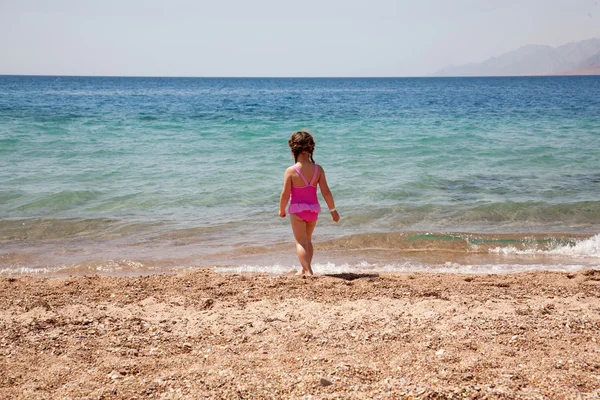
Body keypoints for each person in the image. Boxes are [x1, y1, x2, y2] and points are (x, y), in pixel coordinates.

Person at [279, 131, 340, 276]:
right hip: (313, 211)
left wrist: (281, 209)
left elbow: (285, 194)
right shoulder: (318, 169)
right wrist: (333, 210)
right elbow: (326, 191)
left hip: (297, 211)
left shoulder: (291, 171)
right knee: (308, 240)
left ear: (293, 149)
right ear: (311, 148)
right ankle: (304, 269)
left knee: (300, 242)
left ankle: (308, 270)